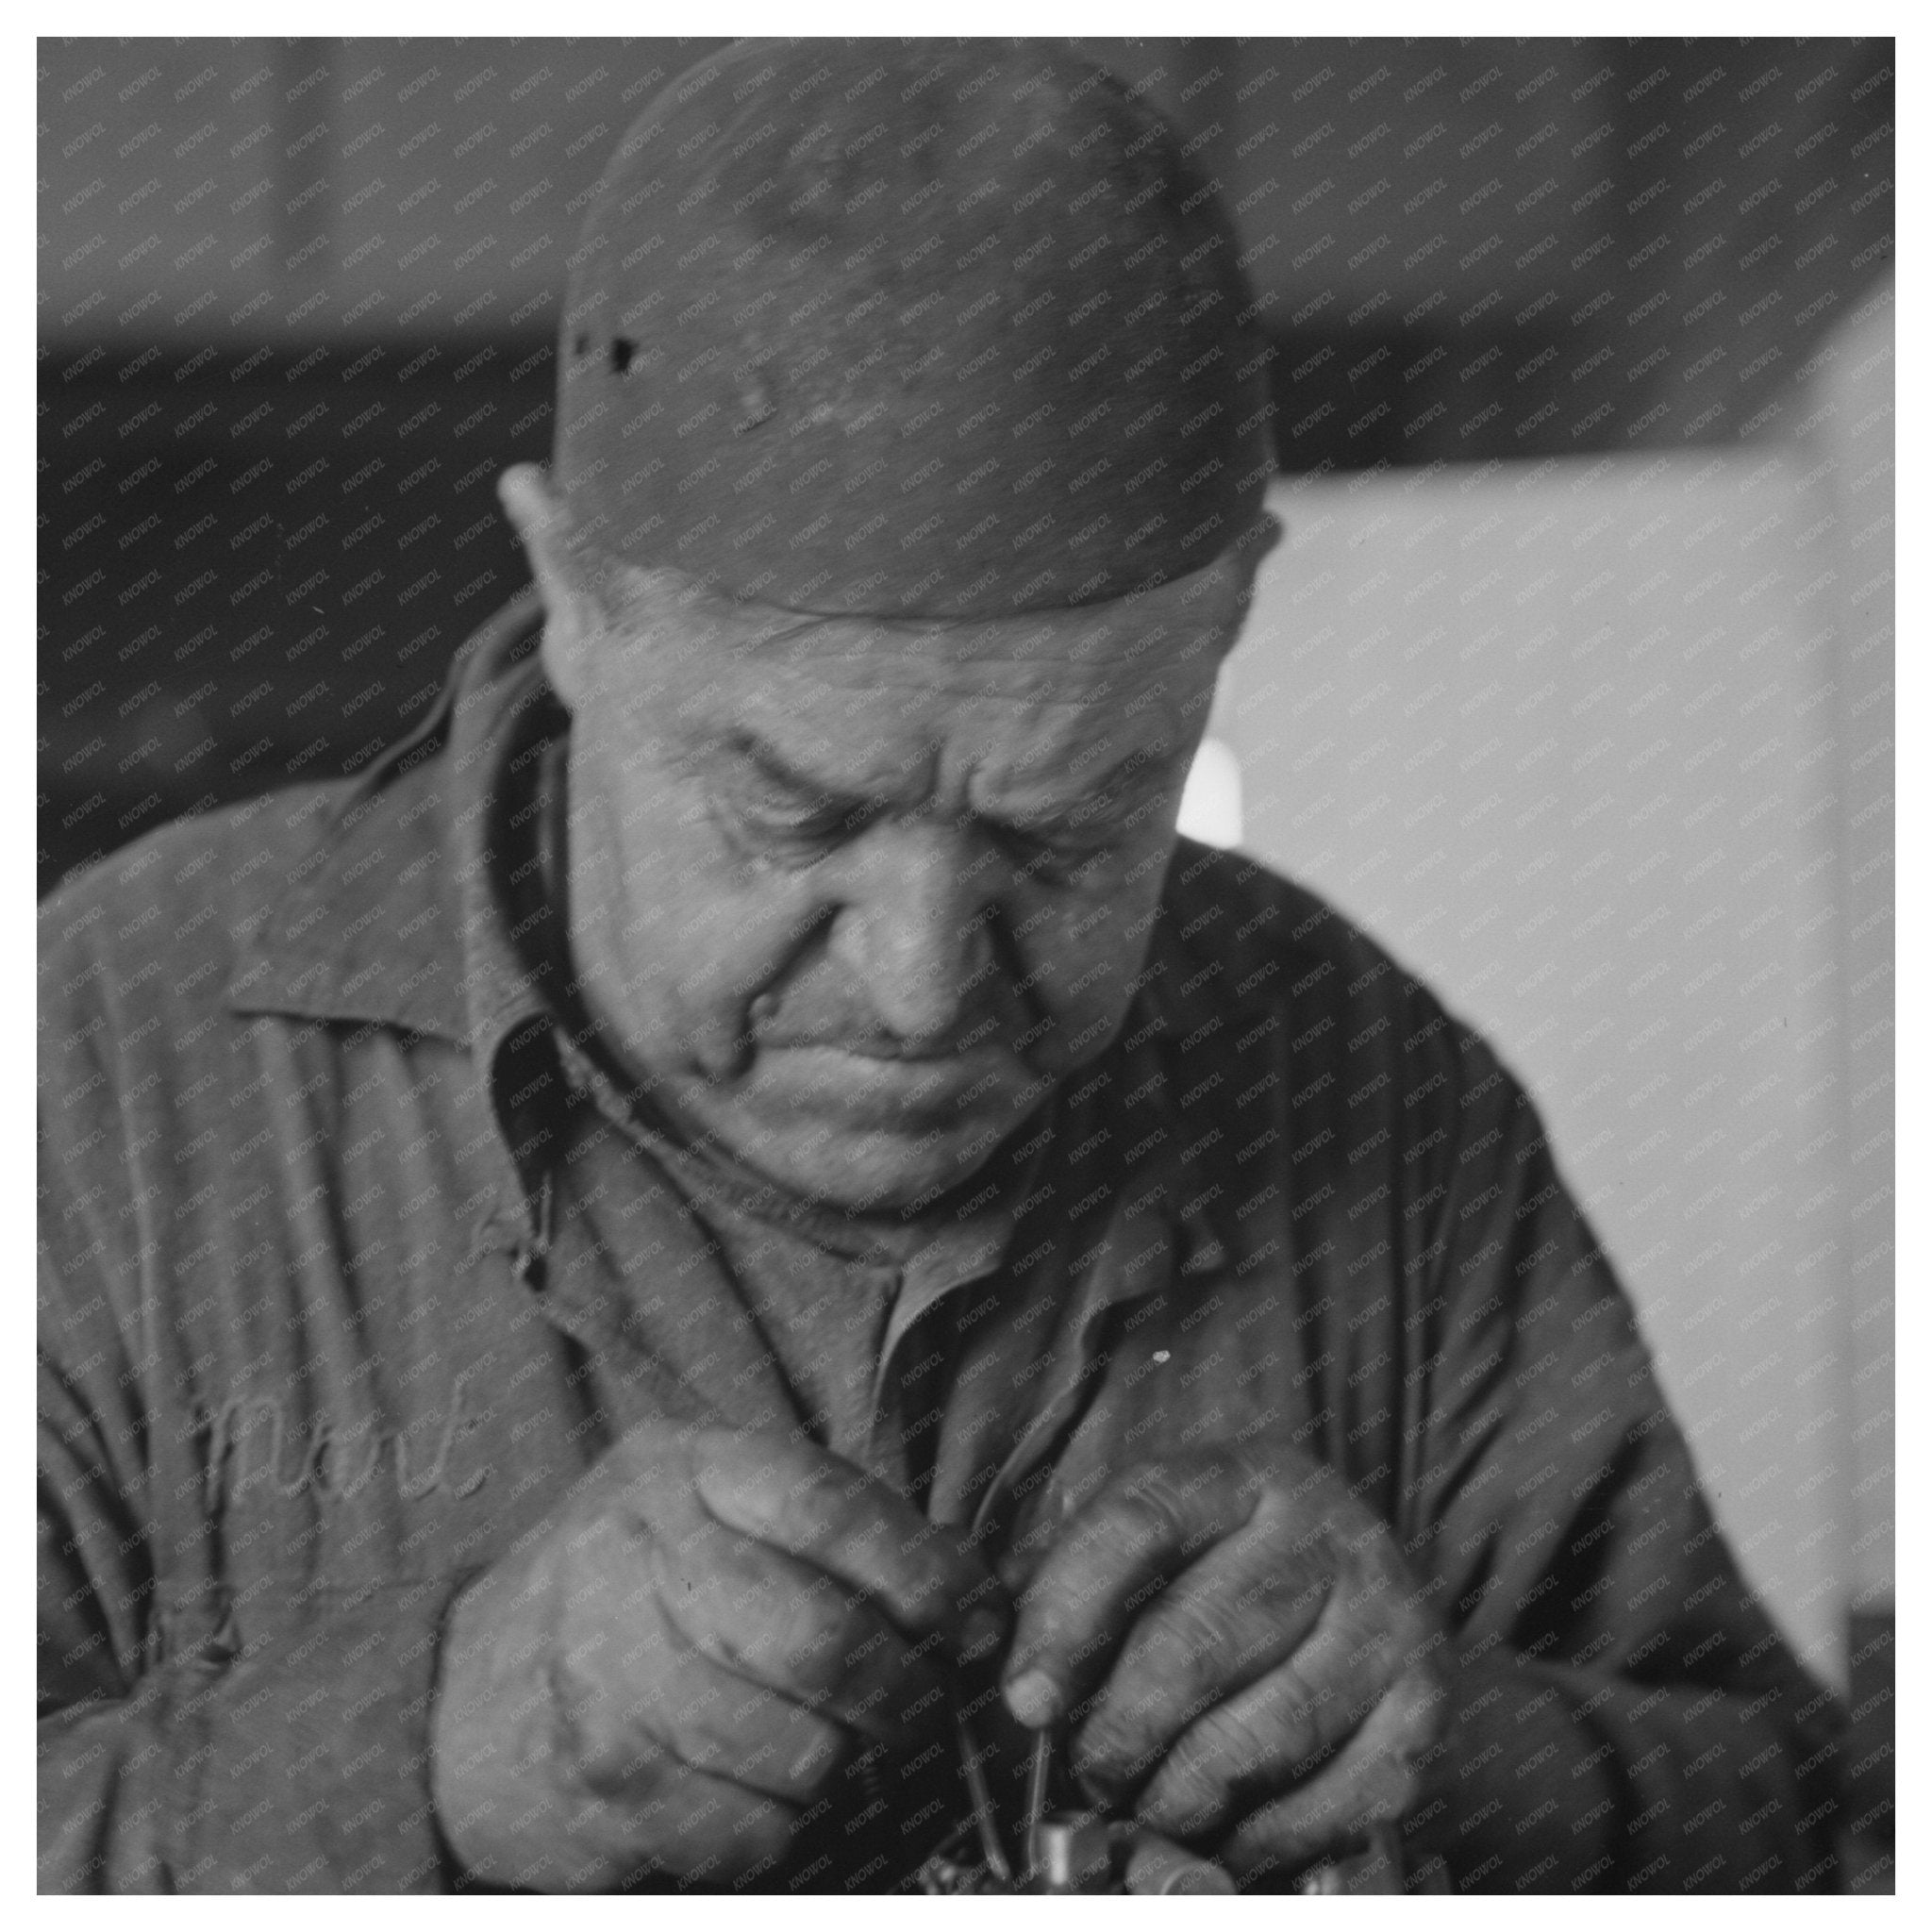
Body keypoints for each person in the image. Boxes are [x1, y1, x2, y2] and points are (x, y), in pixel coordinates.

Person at [38, 40, 1840, 1894]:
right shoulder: (104, 1066)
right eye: (796, 816)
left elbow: (1816, 1826)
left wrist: (1464, 1750)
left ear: (1227, 613)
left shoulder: (1362, 1077)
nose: (921, 989)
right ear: (574, 600)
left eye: (1066, 827)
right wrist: (425, 1753)